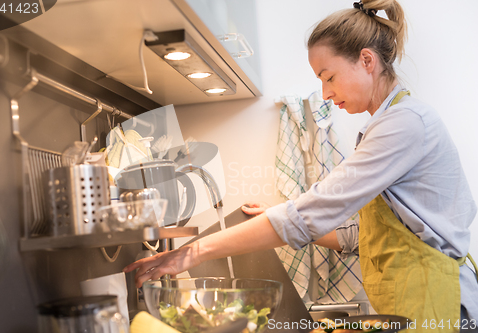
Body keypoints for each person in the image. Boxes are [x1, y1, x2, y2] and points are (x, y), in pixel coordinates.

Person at [124, 0, 478, 330]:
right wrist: (278, 213)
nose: (324, 93)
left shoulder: (404, 125)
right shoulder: (386, 125)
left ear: (367, 61)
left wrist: (191, 253)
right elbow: (360, 237)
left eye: (329, 76)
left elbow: (309, 214)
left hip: (439, 303)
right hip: (419, 299)